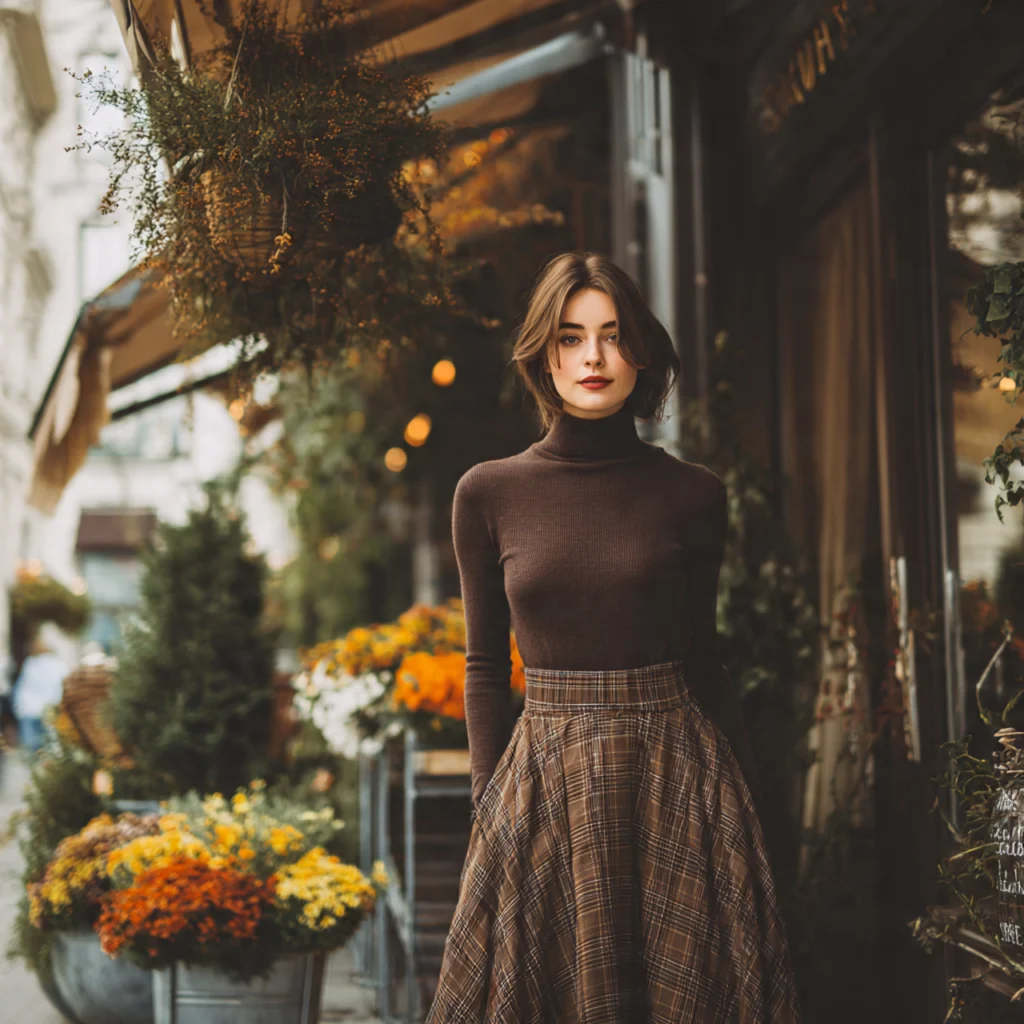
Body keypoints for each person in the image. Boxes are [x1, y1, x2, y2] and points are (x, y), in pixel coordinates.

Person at [426, 252, 801, 1023]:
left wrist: (748, 803)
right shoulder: (487, 492)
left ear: (641, 351)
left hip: (676, 778)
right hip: (542, 785)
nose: (592, 357)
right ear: (544, 353)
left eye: (610, 335)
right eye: (570, 338)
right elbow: (485, 667)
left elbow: (706, 656)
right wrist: (489, 806)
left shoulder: (694, 494)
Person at [13, 626, 69, 755]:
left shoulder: (31, 663)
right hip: (45, 711)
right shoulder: (56, 664)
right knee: (48, 750)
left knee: (33, 750)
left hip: (31, 710)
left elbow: (21, 688)